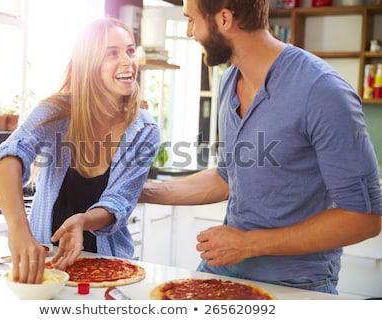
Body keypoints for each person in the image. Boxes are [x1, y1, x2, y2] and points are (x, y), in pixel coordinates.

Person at [139, 0, 382, 294]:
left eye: (192, 20)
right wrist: (141, 193)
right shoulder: (230, 80)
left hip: (297, 283)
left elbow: (365, 219)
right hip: (225, 269)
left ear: (225, 19)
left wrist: (248, 244)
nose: (190, 32)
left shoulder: (322, 91)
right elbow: (227, 177)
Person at [0, 18, 160, 284]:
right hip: (46, 263)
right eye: (112, 53)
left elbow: (118, 203)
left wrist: (82, 220)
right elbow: (9, 154)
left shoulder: (144, 130)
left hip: (110, 267)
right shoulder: (55, 113)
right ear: (89, 65)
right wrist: (18, 230)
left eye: (129, 50)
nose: (128, 62)